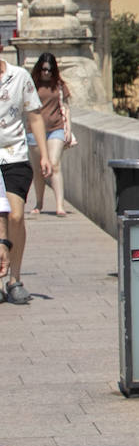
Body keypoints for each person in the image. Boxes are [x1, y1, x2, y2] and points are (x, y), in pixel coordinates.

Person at [0, 54, 51, 305]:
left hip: (15, 157)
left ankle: (15, 278)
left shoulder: (19, 77)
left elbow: (34, 116)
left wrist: (44, 155)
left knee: (16, 216)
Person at [27, 53, 72, 217]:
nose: (47, 73)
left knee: (54, 165)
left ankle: (60, 205)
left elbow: (66, 108)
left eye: (50, 70)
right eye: (44, 69)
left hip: (56, 128)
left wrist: (68, 129)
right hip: (34, 131)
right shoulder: (31, 84)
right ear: (39, 68)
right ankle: (39, 203)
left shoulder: (59, 85)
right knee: (39, 169)